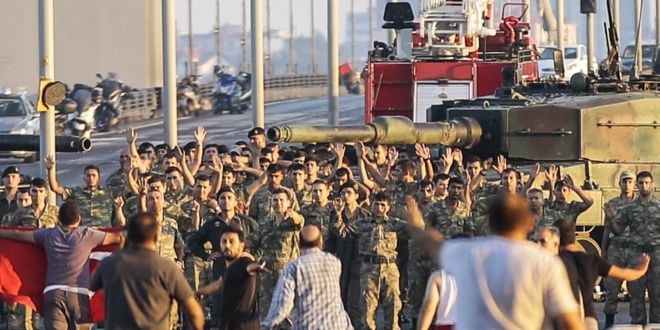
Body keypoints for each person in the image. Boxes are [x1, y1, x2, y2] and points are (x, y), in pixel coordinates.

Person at [405, 194, 585, 330]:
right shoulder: (545, 262)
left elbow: (431, 242)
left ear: (489, 222)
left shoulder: (467, 253)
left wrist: (415, 223)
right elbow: (569, 320)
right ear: (530, 223)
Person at [0, 201, 124, 330]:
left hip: (53, 292)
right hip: (79, 294)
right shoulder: (87, 234)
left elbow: (17, 234)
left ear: (59, 219)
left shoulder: (48, 234)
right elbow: (119, 238)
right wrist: (115, 260)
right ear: (79, 218)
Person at [90, 212, 204, 330]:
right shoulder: (167, 268)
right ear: (156, 236)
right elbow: (194, 311)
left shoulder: (110, 264)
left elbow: (92, 285)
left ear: (128, 236)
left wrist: (117, 252)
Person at [555, 218, 650, 330]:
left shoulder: (553, 261)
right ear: (574, 236)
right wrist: (641, 269)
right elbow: (624, 274)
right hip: (587, 318)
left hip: (560, 316)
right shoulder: (591, 260)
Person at [262, 224, 352, 330]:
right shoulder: (334, 262)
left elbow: (282, 306)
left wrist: (266, 325)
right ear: (321, 244)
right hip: (339, 325)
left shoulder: (293, 268)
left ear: (299, 244)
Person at [196, 225, 264, 330]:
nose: (227, 245)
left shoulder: (243, 263)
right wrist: (199, 292)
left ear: (241, 246)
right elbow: (219, 284)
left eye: (232, 241)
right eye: (224, 241)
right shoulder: (230, 269)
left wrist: (255, 267)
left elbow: (249, 268)